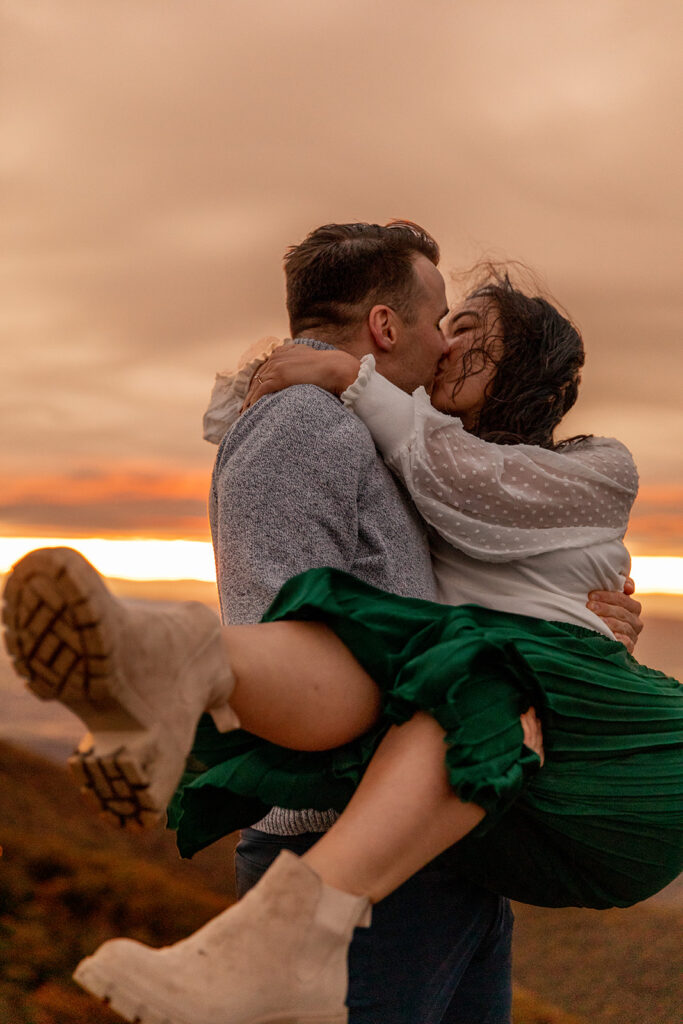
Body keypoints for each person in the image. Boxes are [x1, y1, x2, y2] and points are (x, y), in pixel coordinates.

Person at [2, 226, 656, 1024]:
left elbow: (466, 493)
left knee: (459, 664)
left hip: (462, 830)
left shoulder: (470, 460)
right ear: (387, 325)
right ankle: (166, 665)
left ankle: (167, 671)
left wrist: (600, 626)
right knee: (433, 661)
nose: (445, 347)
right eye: (440, 321)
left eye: (466, 335)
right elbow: (291, 615)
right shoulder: (315, 423)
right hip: (366, 843)